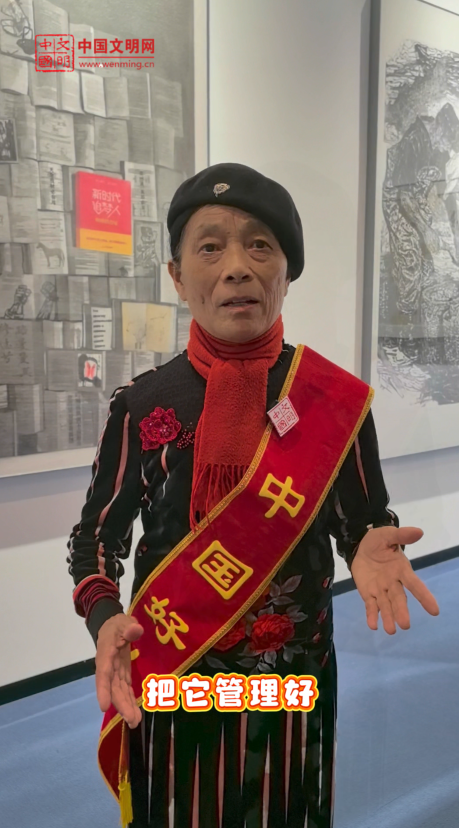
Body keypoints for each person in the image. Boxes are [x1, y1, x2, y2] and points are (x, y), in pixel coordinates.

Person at [67, 163, 440, 828]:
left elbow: (362, 520)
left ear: (286, 272)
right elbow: (95, 539)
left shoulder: (332, 403)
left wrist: (366, 542)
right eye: (210, 247)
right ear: (177, 275)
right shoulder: (142, 406)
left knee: (287, 811)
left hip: (290, 675)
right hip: (176, 668)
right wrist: (103, 618)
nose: (237, 267)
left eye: (260, 246)